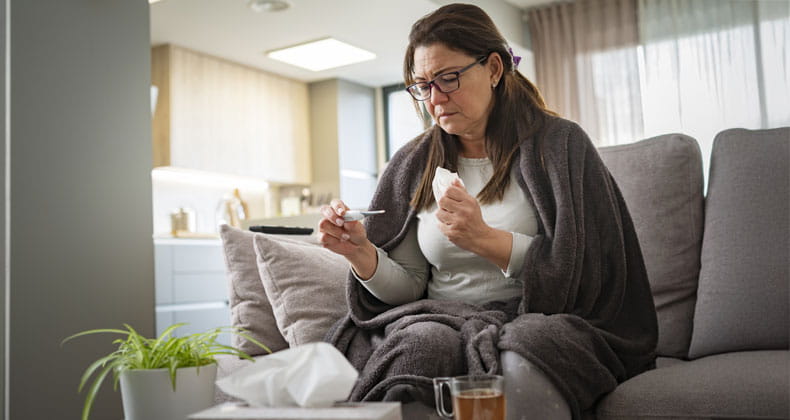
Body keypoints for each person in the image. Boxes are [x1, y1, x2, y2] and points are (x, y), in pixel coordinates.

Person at [319, 4, 658, 419]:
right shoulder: (414, 163)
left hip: (540, 317)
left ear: (494, 69)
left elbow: (587, 279)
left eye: (448, 79)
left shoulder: (561, 146)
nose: (435, 99)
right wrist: (361, 254)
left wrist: (484, 239)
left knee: (529, 348)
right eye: (423, 86)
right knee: (420, 346)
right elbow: (408, 289)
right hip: (441, 318)